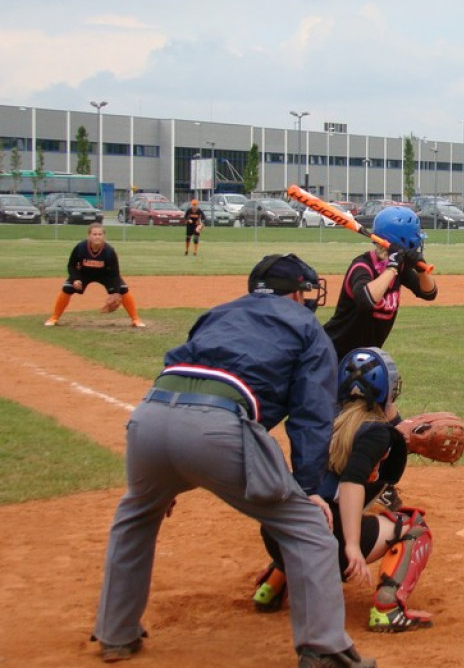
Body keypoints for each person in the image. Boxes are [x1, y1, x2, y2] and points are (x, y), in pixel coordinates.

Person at [91, 253, 375, 668]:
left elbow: (180, 369)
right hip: (214, 427)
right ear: (295, 292)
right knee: (310, 528)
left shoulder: (217, 313)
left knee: (135, 515)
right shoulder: (305, 326)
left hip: (149, 418)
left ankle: (115, 634)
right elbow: (312, 417)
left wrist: (163, 480)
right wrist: (310, 490)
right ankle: (325, 649)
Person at [253, 347, 434, 634]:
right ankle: (388, 609)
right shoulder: (376, 433)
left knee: (313, 512)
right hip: (328, 545)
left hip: (279, 533)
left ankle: (271, 586)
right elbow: (352, 482)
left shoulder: (322, 419)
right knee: (414, 527)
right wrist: (351, 545)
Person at [323, 206, 438, 361]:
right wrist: (392, 268)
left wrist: (421, 269)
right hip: (332, 353)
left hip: (363, 357)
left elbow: (429, 293)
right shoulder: (362, 266)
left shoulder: (400, 269)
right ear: (403, 240)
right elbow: (365, 300)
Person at [44, 222, 145, 328]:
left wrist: (115, 292)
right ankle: (54, 318)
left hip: (104, 274)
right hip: (84, 273)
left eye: (100, 234)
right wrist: (75, 279)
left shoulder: (109, 251)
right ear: (89, 235)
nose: (97, 237)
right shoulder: (80, 247)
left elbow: (115, 273)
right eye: (94, 234)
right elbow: (71, 266)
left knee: (123, 289)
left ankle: (135, 319)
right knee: (67, 288)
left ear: (104, 236)